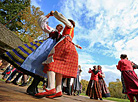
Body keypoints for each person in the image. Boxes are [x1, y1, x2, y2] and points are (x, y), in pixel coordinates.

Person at [1, 11, 63, 96]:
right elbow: (42, 23)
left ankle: (33, 86)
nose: (61, 27)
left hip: (52, 52)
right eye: (60, 26)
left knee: (43, 69)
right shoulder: (52, 30)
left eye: (62, 27)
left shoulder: (62, 36)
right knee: (36, 63)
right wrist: (48, 15)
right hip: (44, 48)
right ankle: (32, 87)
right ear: (57, 26)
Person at [35, 10, 80, 98]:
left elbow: (62, 19)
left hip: (63, 47)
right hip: (69, 48)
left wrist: (55, 13)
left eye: (63, 25)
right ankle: (59, 90)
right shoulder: (67, 33)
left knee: (51, 63)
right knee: (59, 69)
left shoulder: (69, 26)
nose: (62, 27)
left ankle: (50, 87)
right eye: (59, 26)